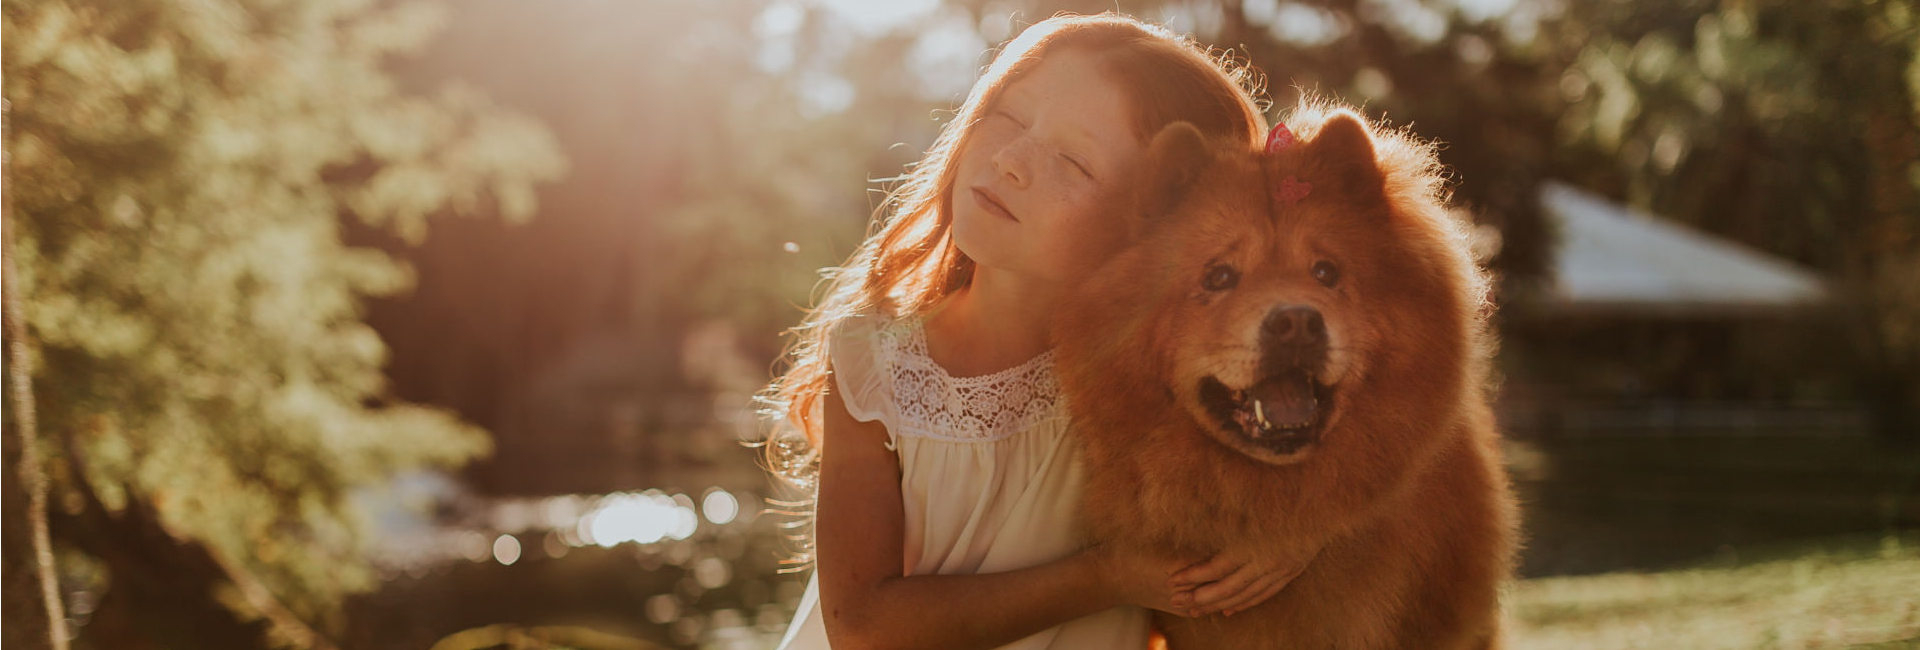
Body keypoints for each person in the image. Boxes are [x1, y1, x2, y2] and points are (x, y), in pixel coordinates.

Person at [756, 13, 1295, 650]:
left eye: (1073, 159)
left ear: (1153, 225)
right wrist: (1110, 577)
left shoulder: (1159, 382)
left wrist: (1303, 541)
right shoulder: (875, 361)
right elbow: (865, 626)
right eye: (1008, 118)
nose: (1010, 161)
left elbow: (1362, 454)